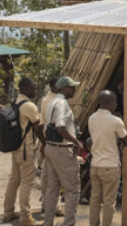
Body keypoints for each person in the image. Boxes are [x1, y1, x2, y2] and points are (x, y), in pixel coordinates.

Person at [3, 77, 47, 226]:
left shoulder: (15, 102)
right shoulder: (29, 106)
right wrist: (44, 144)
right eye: (33, 88)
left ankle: (8, 212)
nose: (35, 91)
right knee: (27, 183)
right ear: (25, 88)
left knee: (14, 180)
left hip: (15, 148)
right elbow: (38, 127)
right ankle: (25, 216)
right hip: (26, 149)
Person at [42, 76, 85, 226]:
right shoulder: (62, 103)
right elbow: (60, 127)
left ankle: (48, 222)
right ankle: (69, 223)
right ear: (63, 88)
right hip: (62, 149)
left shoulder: (51, 102)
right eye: (72, 87)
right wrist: (76, 142)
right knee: (72, 189)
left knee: (52, 188)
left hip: (50, 147)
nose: (74, 90)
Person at [85, 90, 127, 226]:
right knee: (109, 201)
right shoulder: (116, 121)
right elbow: (126, 140)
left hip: (95, 164)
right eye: (115, 102)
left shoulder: (91, 118)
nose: (116, 105)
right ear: (110, 103)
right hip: (110, 165)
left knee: (95, 199)